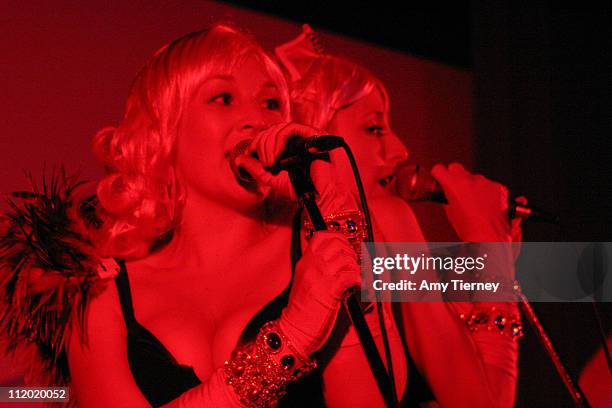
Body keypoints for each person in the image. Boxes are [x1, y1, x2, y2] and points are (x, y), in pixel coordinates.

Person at [0, 24, 381, 408]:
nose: (257, 120)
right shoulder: (101, 284)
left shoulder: (317, 245)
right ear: (165, 127)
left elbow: (379, 393)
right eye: (224, 97)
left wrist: (336, 205)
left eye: (270, 103)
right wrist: (289, 341)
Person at [275, 25, 525, 407]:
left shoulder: (275, 236)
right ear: (316, 134)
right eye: (374, 128)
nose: (399, 149)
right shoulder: (386, 217)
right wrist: (496, 264)